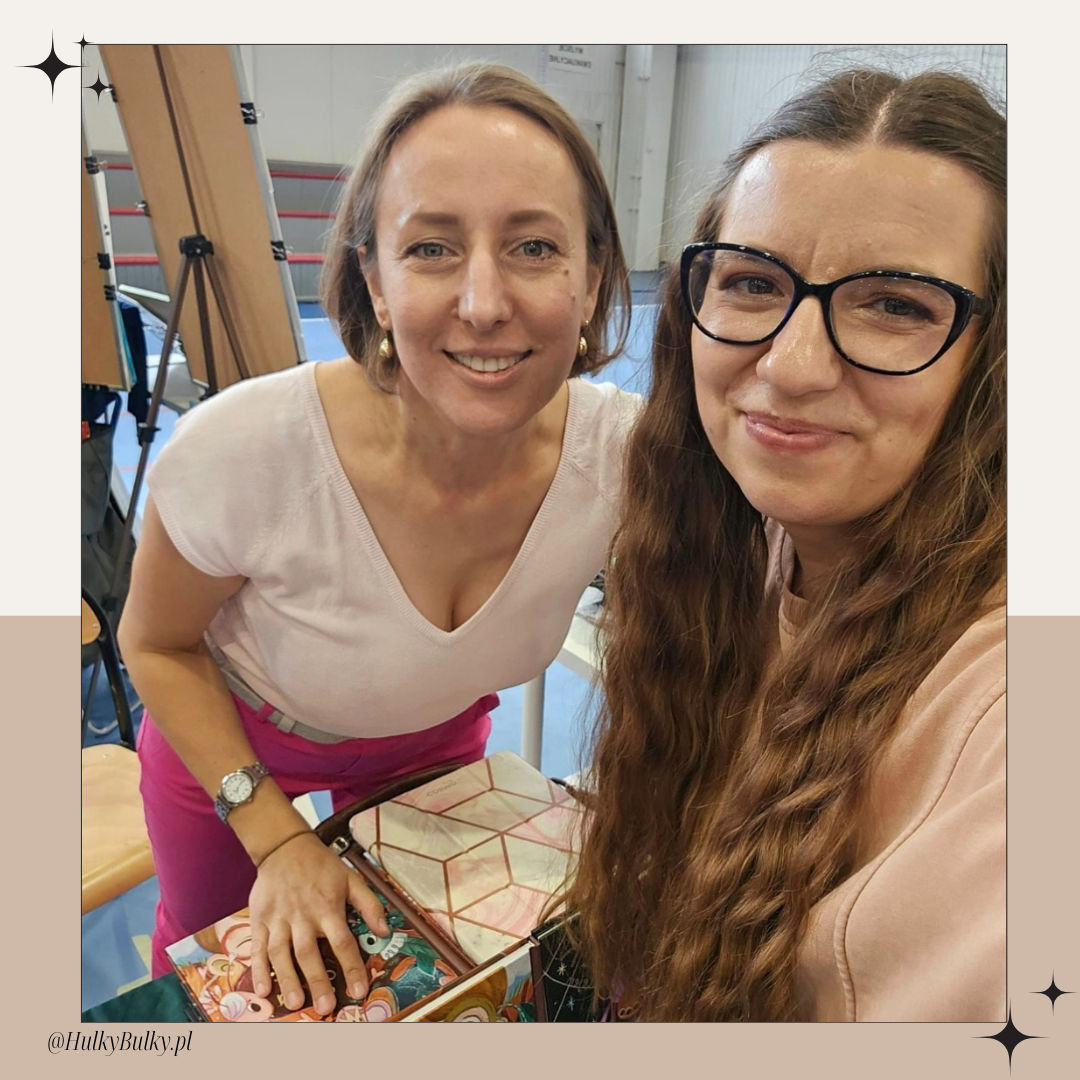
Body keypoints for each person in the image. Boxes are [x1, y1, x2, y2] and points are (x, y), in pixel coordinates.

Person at [118, 61, 637, 1015]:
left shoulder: (629, 460)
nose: (484, 303)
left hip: (435, 737)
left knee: (447, 987)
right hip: (238, 735)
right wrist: (275, 837)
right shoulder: (244, 452)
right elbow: (154, 643)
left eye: (533, 246)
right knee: (227, 981)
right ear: (375, 279)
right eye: (432, 248)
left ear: (593, 275)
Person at [566, 68, 1005, 1022]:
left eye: (897, 304)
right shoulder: (744, 544)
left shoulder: (1003, 711)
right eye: (754, 283)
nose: (793, 365)